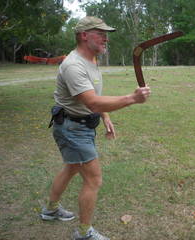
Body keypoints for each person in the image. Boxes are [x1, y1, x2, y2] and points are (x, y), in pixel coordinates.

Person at [40, 16, 151, 240]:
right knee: (93, 180)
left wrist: (105, 115)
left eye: (106, 34)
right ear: (83, 35)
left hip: (79, 124)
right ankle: (83, 233)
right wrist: (131, 98)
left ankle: (50, 210)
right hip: (72, 128)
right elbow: (92, 102)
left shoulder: (91, 60)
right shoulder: (73, 66)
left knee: (71, 167)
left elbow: (92, 97)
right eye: (100, 33)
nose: (106, 38)